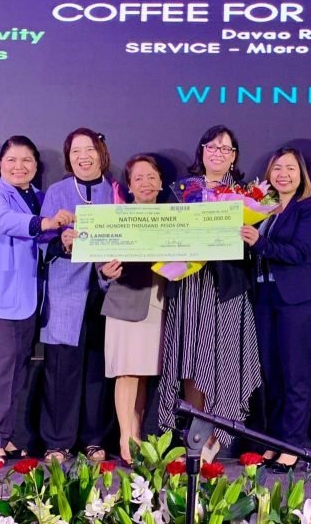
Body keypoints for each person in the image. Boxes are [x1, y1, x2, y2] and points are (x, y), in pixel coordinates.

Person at [0, 135, 74, 463]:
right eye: (12, 159)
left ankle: (6, 435)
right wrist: (45, 223)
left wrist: (63, 236)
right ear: (0, 164)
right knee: (2, 366)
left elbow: (45, 239)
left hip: (27, 298)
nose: (19, 166)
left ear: (36, 165)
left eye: (27, 160)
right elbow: (3, 220)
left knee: (18, 368)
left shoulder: (40, 197)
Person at [156, 125, 261, 461]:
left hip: (227, 288)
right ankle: (196, 432)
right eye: (212, 147)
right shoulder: (181, 191)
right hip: (189, 285)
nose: (218, 153)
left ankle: (216, 436)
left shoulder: (246, 195)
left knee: (223, 359)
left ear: (234, 157)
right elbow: (165, 236)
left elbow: (254, 246)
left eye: (225, 149)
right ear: (201, 151)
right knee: (191, 357)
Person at [241, 147, 311, 472]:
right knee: (271, 375)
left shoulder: (309, 208)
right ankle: (274, 441)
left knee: (295, 376)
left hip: (297, 302)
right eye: (277, 168)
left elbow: (299, 252)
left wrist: (258, 242)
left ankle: (293, 445)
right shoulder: (261, 209)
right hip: (264, 298)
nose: (283, 174)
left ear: (301, 175)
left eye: (290, 168)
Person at [38, 128, 115, 464]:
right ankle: (57, 441)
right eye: (75, 151)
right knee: (61, 369)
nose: (83, 157)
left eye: (89, 149)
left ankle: (94, 439)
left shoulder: (116, 191)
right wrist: (61, 241)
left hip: (105, 291)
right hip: (65, 292)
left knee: (98, 368)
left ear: (101, 153)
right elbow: (42, 243)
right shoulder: (57, 191)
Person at [100, 155, 167, 463]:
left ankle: (136, 435)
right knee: (126, 372)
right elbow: (100, 256)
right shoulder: (117, 217)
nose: (146, 183)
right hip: (126, 301)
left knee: (143, 372)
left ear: (161, 183)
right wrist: (104, 271)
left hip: (161, 301)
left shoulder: (174, 217)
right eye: (138, 178)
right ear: (129, 186)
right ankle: (126, 439)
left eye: (151, 177)